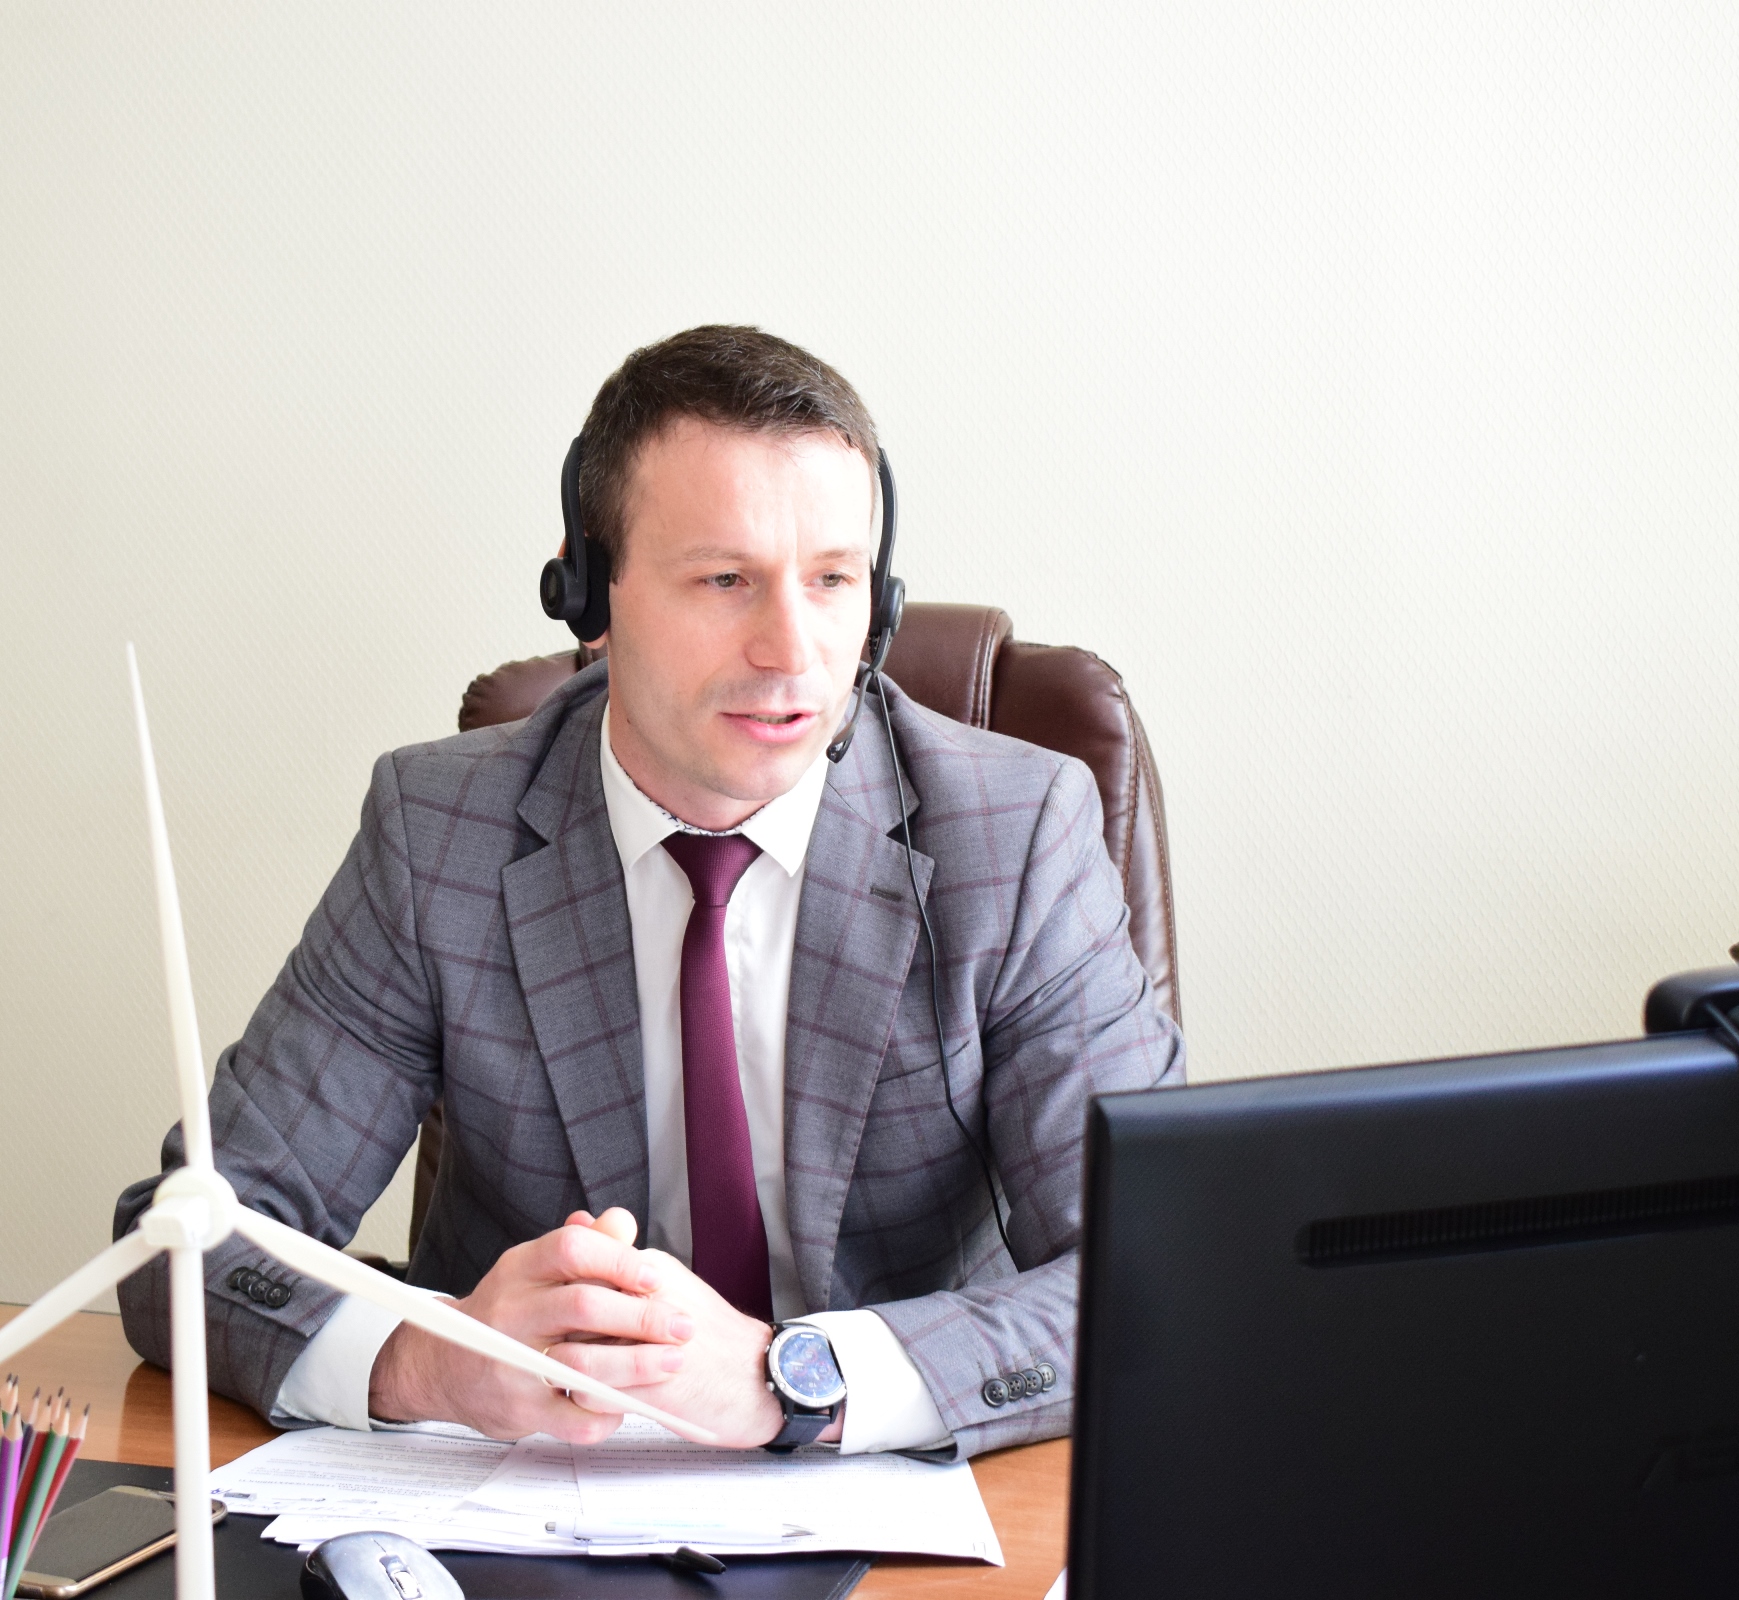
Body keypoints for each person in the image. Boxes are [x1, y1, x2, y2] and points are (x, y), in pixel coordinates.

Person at [115, 325, 1182, 1459]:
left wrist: (795, 1380)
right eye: (725, 580)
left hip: (895, 1491)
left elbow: (1155, 1272)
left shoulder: (1014, 835)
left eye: (833, 580)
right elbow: (183, 1241)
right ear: (591, 591)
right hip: (525, 1499)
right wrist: (430, 1358)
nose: (792, 651)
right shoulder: (438, 835)